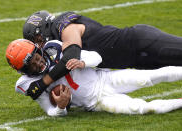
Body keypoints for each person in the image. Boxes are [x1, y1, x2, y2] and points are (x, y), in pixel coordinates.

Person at [6, 39, 182, 116]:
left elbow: (96, 57)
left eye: (37, 58)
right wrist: (60, 107)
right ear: (22, 70)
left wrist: (83, 63)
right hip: (95, 102)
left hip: (106, 79)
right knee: (143, 109)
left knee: (151, 76)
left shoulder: (54, 47)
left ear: (39, 50)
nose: (38, 64)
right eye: (31, 65)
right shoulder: (27, 84)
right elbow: (51, 112)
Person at [22, 10, 182, 94]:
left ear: (44, 28)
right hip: (136, 59)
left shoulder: (64, 27)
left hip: (142, 42)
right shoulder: (57, 40)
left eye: (38, 39)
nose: (39, 45)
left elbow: (71, 57)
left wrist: (43, 83)